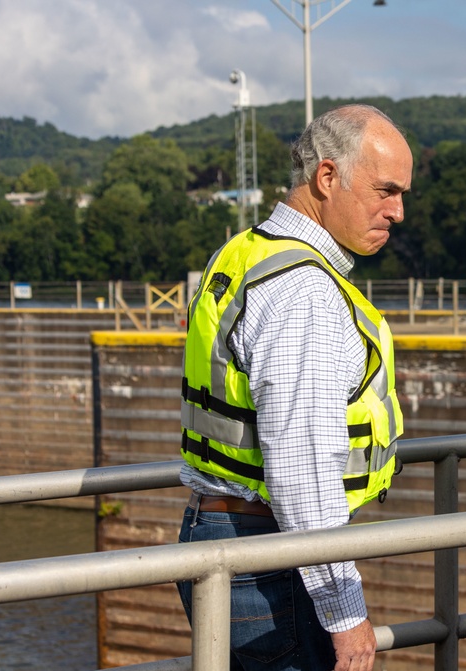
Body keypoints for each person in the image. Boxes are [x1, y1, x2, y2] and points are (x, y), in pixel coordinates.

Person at [177, 104, 412, 671]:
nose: (398, 212)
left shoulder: (243, 253)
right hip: (270, 560)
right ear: (327, 177)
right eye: (385, 190)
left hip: (225, 537)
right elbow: (303, 469)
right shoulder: (304, 291)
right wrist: (346, 613)